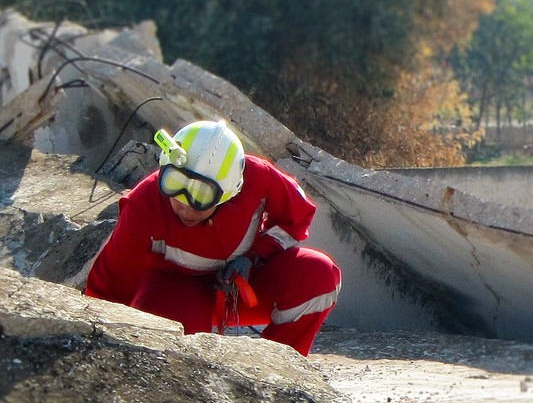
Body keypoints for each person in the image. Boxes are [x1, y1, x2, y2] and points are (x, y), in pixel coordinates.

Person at [85, 119, 341, 356]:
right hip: (174, 292)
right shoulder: (144, 203)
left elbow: (296, 217)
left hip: (241, 286)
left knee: (319, 275)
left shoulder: (259, 177)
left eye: (201, 196)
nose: (184, 206)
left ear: (230, 192)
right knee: (181, 349)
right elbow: (108, 287)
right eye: (175, 185)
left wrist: (255, 257)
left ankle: (278, 372)